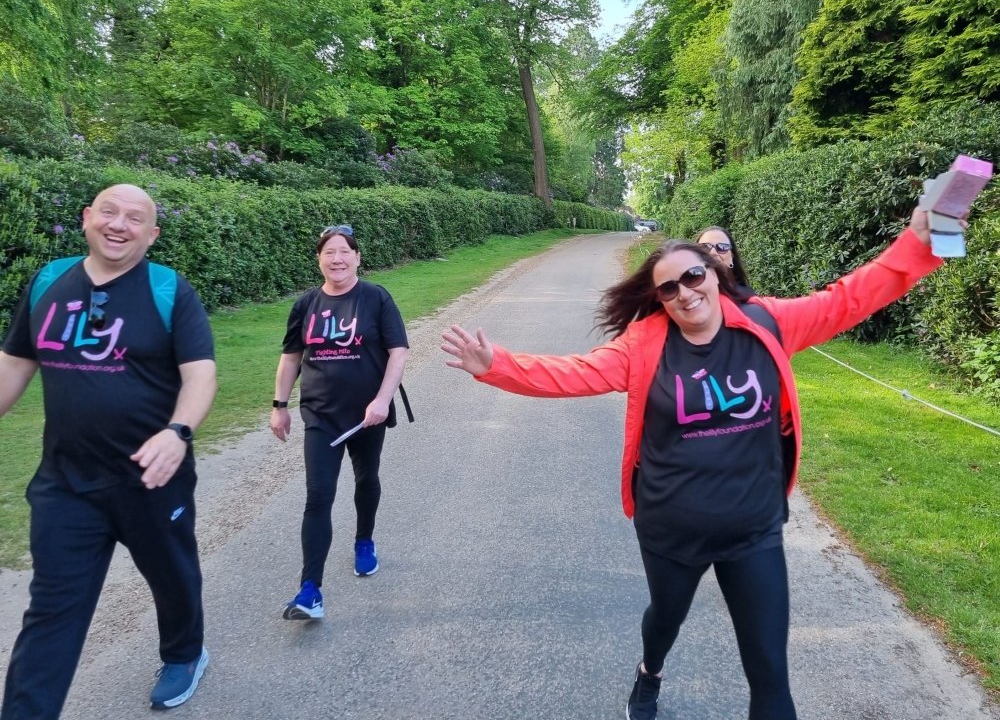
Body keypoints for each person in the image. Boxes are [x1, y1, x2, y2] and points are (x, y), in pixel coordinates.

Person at [441, 206, 963, 720]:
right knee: (664, 619)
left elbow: (851, 297)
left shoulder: (767, 322)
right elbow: (576, 373)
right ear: (659, 300)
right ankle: (651, 670)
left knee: (771, 678)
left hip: (753, 529)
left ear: (716, 274)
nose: (685, 292)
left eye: (693, 275)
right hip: (672, 528)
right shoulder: (645, 346)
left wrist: (919, 242)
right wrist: (498, 366)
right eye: (668, 288)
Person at [0, 184, 217, 718]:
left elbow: (201, 373)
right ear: (86, 218)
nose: (120, 224)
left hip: (151, 477)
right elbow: (12, 366)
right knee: (52, 611)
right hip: (66, 483)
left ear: (152, 234)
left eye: (135, 218)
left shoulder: (169, 290)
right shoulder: (48, 282)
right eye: (110, 212)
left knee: (171, 576)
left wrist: (178, 432)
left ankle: (185, 654)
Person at [271, 224, 409, 620]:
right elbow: (291, 357)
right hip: (320, 414)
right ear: (319, 259)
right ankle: (309, 591)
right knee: (318, 496)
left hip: (368, 414)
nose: (337, 259)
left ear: (357, 257)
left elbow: (398, 352)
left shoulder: (376, 298)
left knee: (366, 478)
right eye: (329, 252)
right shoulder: (305, 305)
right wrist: (279, 405)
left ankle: (364, 540)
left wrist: (382, 401)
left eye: (344, 252)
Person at [695, 225, 754, 296]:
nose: (713, 252)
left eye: (722, 247)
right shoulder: (684, 296)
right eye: (705, 247)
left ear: (732, 258)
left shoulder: (748, 299)